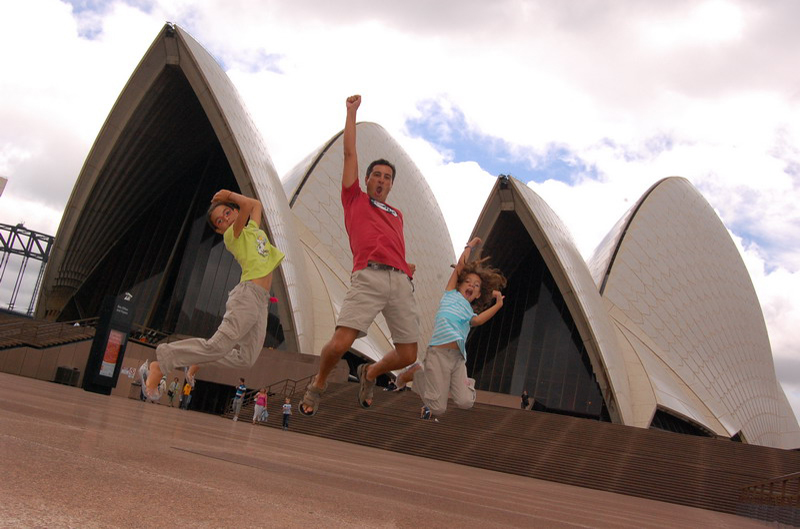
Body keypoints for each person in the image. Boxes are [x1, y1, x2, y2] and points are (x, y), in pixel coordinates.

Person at [298, 94, 419, 416]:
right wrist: (351, 113)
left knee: (408, 354)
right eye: (376, 175)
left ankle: (372, 372)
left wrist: (405, 266)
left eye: (387, 177)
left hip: (400, 281)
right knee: (339, 343)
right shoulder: (355, 198)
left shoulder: (396, 213)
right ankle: (319, 382)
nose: (381, 180)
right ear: (367, 179)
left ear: (392, 185)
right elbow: (349, 152)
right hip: (369, 275)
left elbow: (392, 242)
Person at [138, 189, 284, 401]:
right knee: (217, 346)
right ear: (220, 230)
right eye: (220, 220)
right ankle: (161, 363)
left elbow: (256, 205)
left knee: (247, 359)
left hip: (261, 301)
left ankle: (198, 360)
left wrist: (228, 200)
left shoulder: (253, 229)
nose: (225, 218)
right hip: (247, 296)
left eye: (226, 212)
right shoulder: (232, 235)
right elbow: (245, 206)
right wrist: (230, 196)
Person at [395, 237, 506, 418]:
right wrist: (469, 247)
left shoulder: (469, 313)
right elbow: (460, 268)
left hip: (458, 359)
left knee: (465, 402)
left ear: (478, 295)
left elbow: (478, 321)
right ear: (460, 284)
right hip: (438, 353)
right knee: (438, 409)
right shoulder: (450, 294)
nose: (471, 285)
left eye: (476, 286)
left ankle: (438, 381)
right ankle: (417, 374)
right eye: (468, 281)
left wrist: (498, 304)